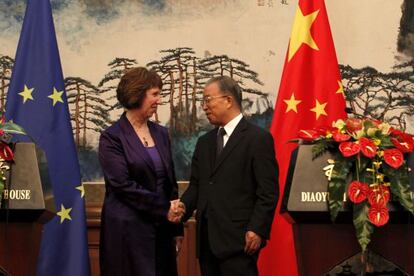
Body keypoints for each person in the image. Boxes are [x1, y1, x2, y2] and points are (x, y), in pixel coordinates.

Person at [170, 76, 279, 276]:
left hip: (240, 241)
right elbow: (197, 186)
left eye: (208, 99)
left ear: (228, 100)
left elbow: (268, 191)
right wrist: (183, 208)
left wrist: (257, 229)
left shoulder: (257, 139)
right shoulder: (205, 142)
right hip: (206, 243)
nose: (204, 107)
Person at [99, 67, 184, 276]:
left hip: (162, 231)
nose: (160, 100)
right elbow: (122, 186)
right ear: (137, 95)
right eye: (155, 94)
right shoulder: (112, 138)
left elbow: (170, 182)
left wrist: (176, 228)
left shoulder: (161, 133)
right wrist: (164, 208)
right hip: (127, 234)